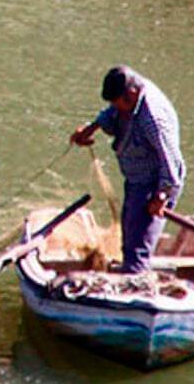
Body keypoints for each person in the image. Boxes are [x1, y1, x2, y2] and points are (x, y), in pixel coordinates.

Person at [70, 66, 186, 274]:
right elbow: (111, 114)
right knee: (129, 236)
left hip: (155, 183)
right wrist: (90, 129)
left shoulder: (153, 119)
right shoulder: (128, 101)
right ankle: (131, 270)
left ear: (131, 94)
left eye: (119, 104)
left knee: (137, 250)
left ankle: (134, 289)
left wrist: (161, 196)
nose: (117, 109)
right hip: (136, 179)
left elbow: (171, 163)